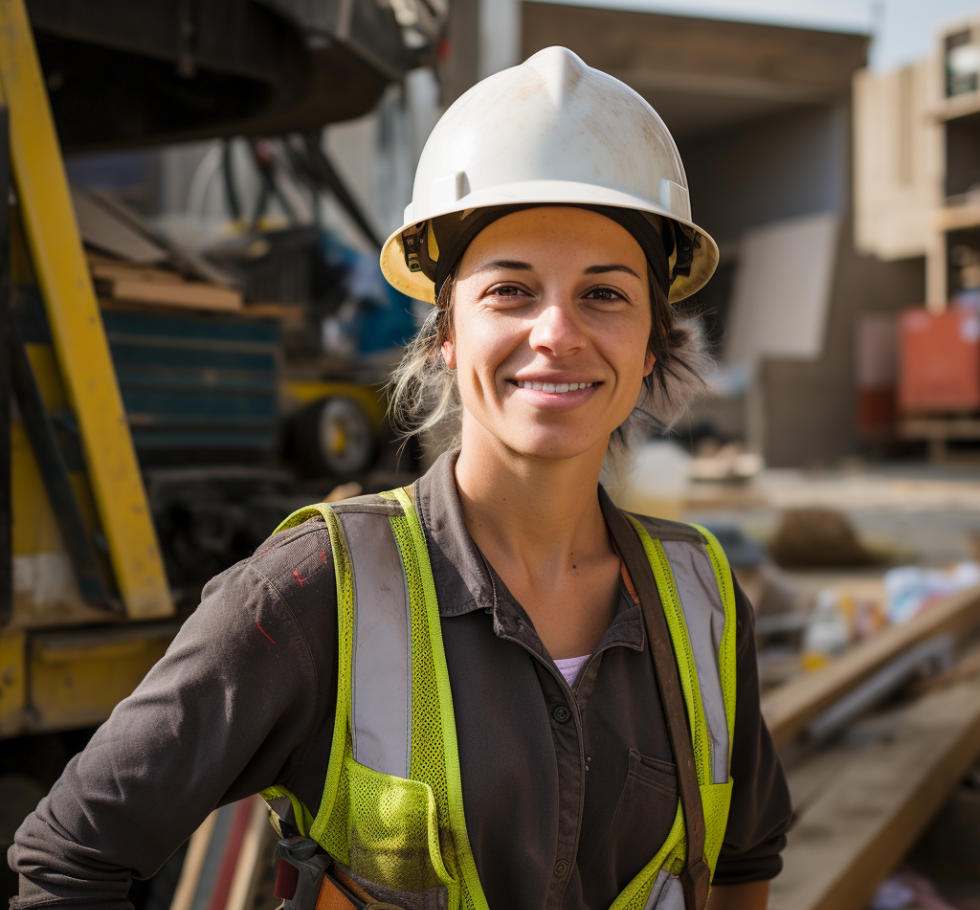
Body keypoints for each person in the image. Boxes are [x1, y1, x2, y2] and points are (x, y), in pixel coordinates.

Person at [9, 47, 791, 910]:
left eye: (605, 294)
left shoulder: (701, 598)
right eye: (510, 291)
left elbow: (744, 860)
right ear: (447, 334)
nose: (557, 333)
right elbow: (68, 859)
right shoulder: (316, 591)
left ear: (652, 346)